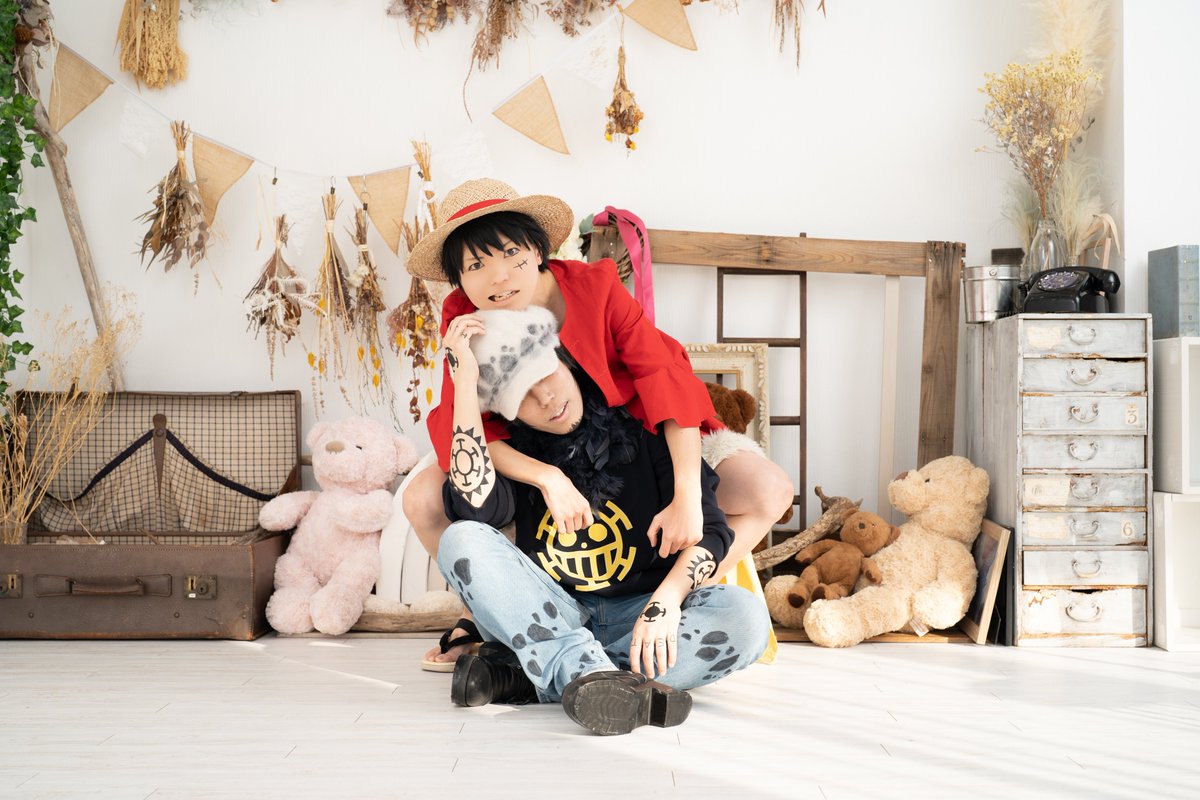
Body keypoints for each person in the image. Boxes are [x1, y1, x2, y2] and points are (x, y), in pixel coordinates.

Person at [402, 178, 793, 670]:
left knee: (770, 490)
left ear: (537, 250)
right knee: (421, 498)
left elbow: (663, 380)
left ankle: (661, 603)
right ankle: (485, 614)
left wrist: (687, 498)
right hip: (526, 446)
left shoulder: (596, 287)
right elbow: (470, 426)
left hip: (636, 436)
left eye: (510, 253)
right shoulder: (462, 316)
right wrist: (547, 477)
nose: (497, 278)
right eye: (476, 266)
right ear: (459, 279)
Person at [437, 305, 770, 735]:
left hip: (640, 611)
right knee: (460, 539)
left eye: (546, 376)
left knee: (745, 618)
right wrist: (465, 385)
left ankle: (534, 677)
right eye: (523, 398)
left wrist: (666, 602)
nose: (547, 399)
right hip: (550, 614)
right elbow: (472, 505)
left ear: (566, 361)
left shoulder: (648, 429)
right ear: (509, 414)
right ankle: (600, 677)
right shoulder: (514, 458)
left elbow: (713, 533)